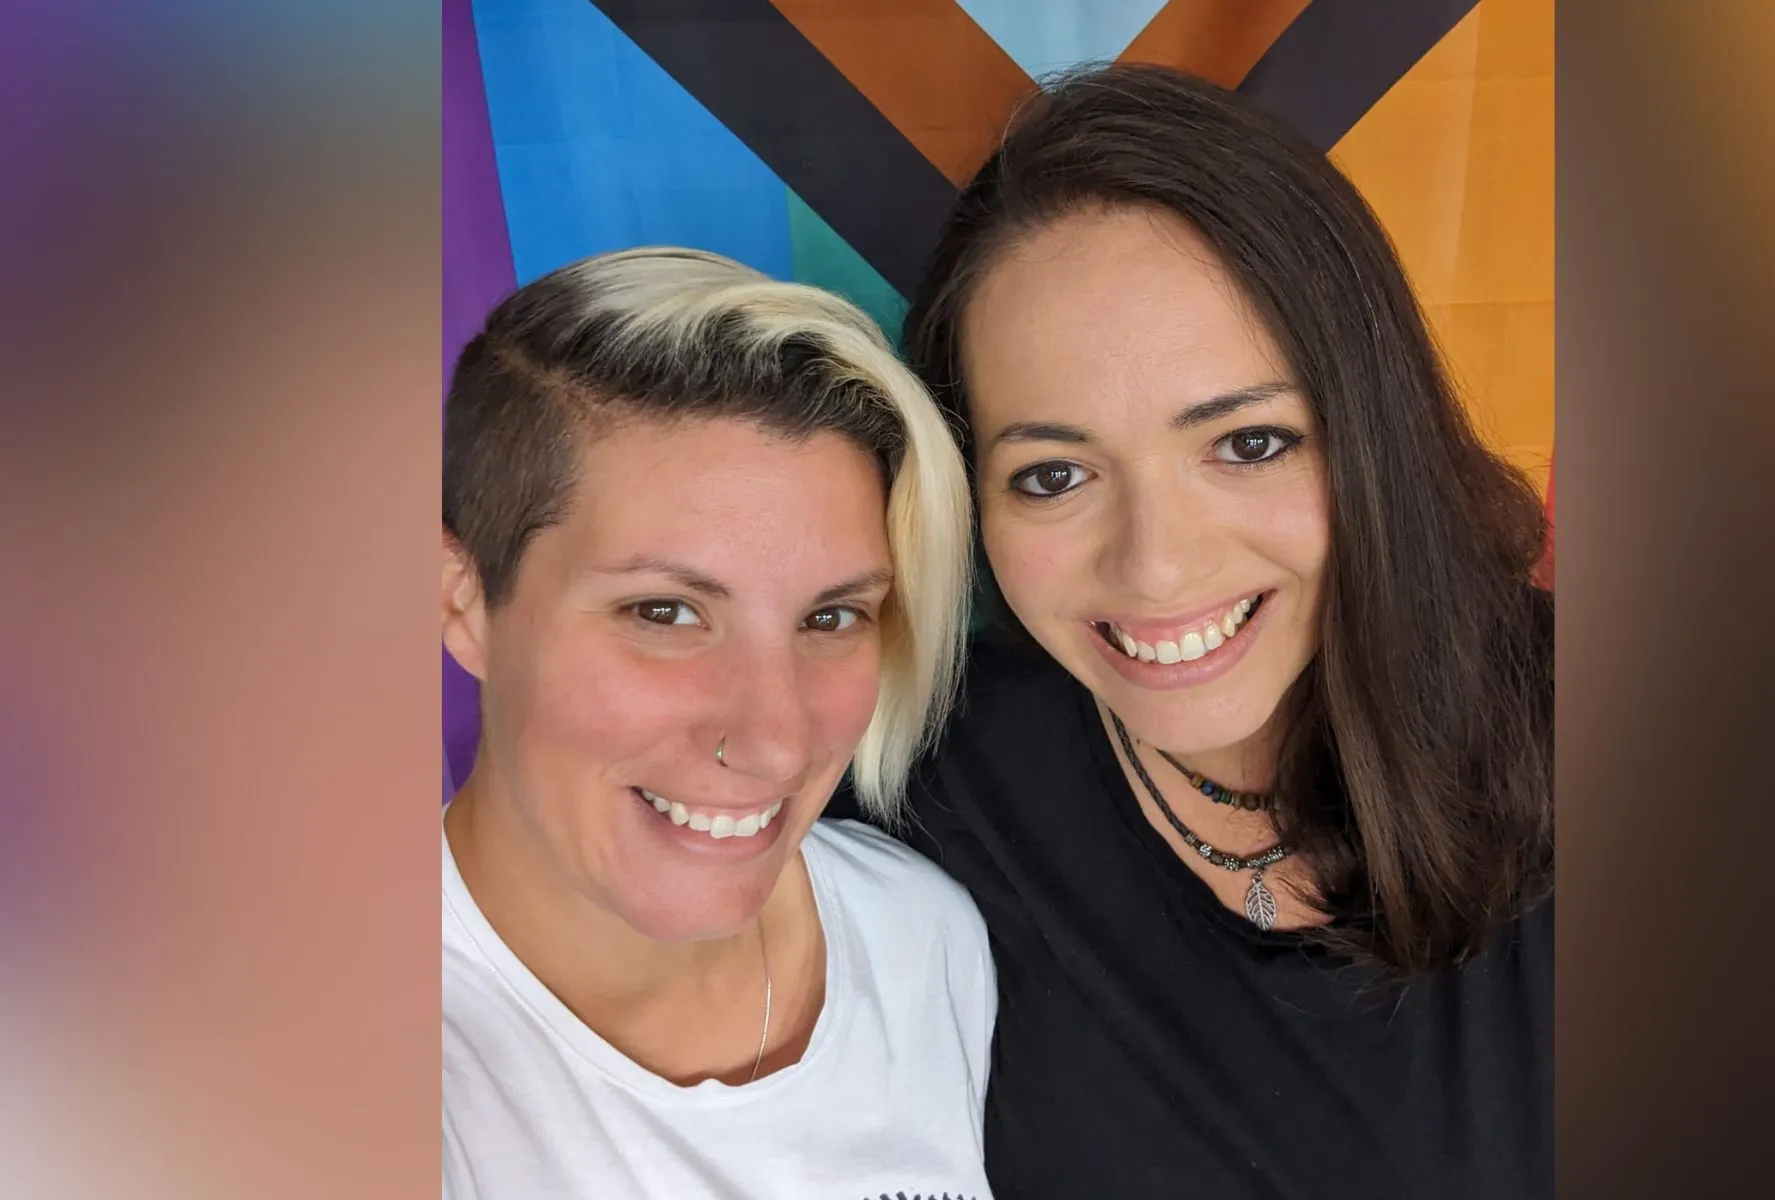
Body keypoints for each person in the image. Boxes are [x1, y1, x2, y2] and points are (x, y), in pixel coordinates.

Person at [871, 64, 1555, 1197]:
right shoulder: (916, 786)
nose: (1156, 563)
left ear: (1368, 428)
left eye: (1246, 444)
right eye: (1052, 474)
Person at [439, 246, 994, 1198]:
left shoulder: (920, 939)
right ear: (463, 602)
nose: (777, 740)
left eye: (831, 618)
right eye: (665, 613)